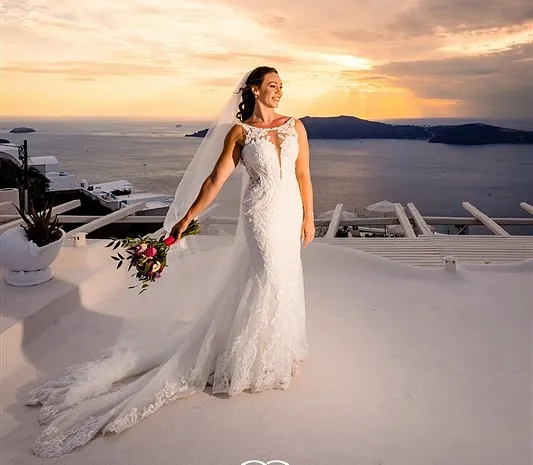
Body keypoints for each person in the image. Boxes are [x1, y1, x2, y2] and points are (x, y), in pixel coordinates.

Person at [26, 66, 315, 457]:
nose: (278, 92)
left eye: (281, 86)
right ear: (253, 88)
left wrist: (309, 217)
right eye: (271, 85)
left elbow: (302, 173)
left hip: (289, 213)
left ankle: (273, 352)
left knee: (284, 275)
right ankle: (247, 360)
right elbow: (214, 181)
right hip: (261, 215)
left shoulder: (295, 126)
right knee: (267, 278)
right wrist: (185, 219)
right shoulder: (240, 132)